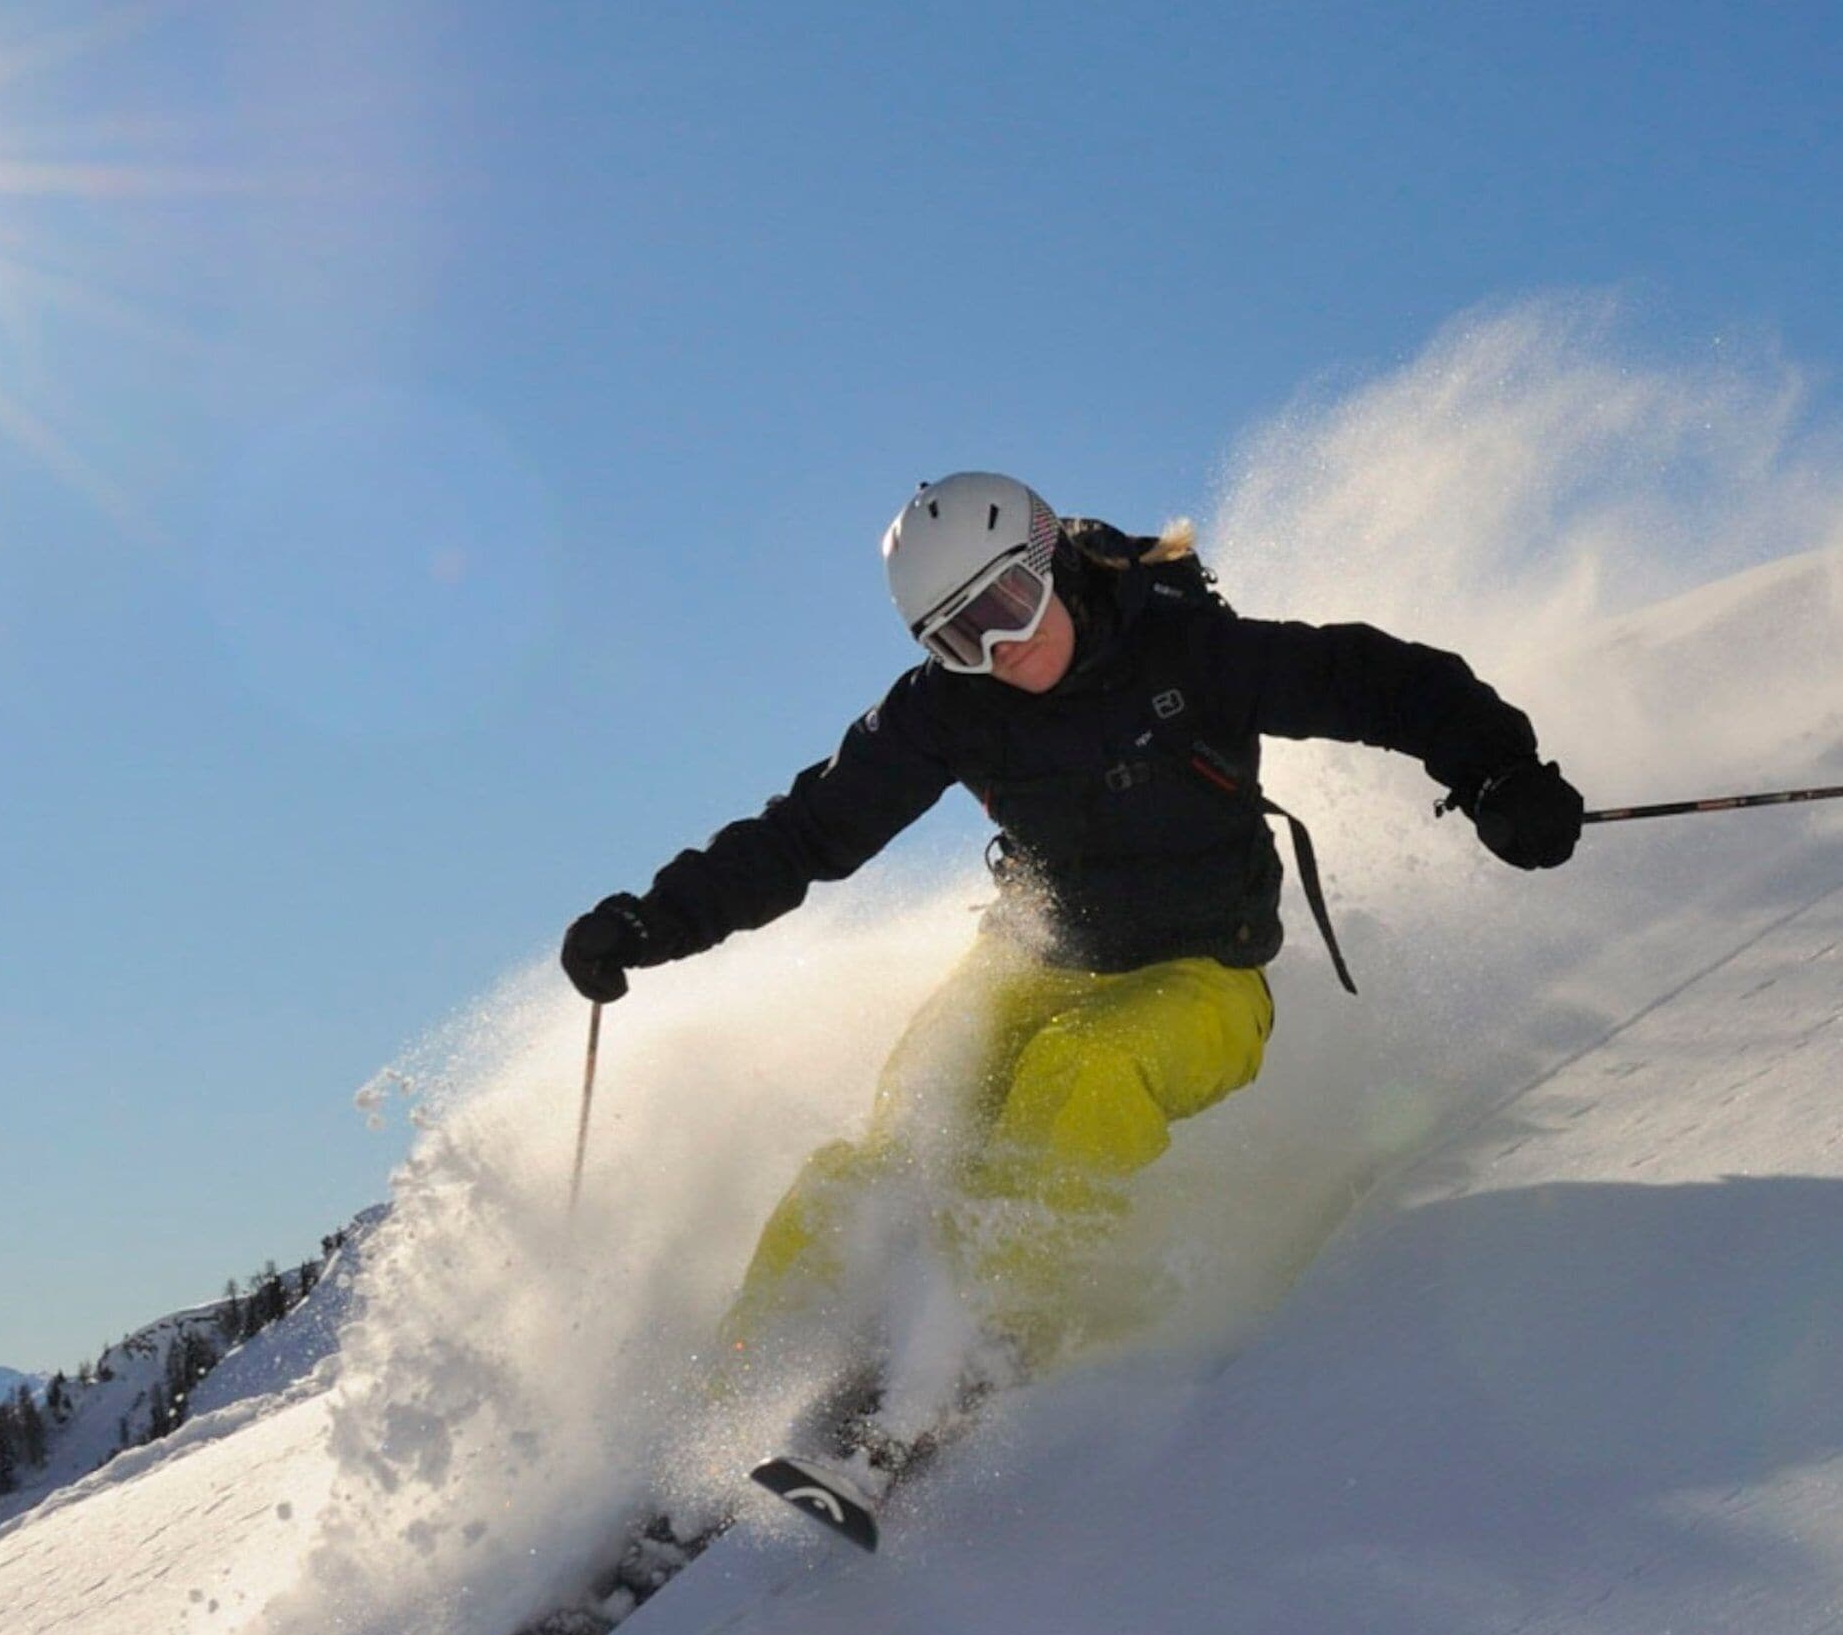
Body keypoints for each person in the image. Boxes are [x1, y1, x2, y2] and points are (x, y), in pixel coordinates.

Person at [559, 472, 1580, 1467]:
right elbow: (808, 832)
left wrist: (1499, 769)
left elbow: (1376, 680)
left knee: (1078, 1073)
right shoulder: (947, 711)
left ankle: (983, 1343)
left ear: (1053, 562)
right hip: (1039, 957)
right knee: (901, 1142)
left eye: (1010, 603)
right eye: (962, 637)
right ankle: (731, 1405)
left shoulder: (1184, 647)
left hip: (1204, 976)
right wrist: (655, 922)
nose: (1003, 648)